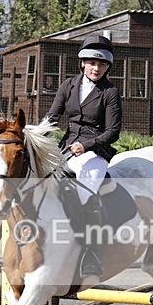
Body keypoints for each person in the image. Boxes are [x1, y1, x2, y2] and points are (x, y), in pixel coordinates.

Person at [45, 35, 122, 277]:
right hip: (67, 148)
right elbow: (53, 117)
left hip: (95, 153)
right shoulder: (68, 85)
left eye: (101, 65)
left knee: (86, 195)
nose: (96, 68)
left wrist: (86, 145)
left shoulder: (110, 92)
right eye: (91, 63)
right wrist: (34, 136)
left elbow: (113, 132)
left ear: (107, 67)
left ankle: (91, 252)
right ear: (82, 63)